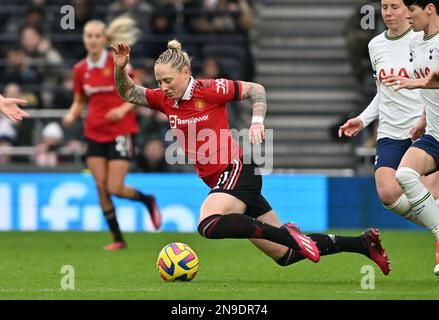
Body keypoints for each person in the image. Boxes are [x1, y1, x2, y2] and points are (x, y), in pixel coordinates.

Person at [111, 39, 391, 275]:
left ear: (185, 72)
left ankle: (288, 233)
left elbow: (257, 89)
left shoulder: (210, 89)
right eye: (159, 81)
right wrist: (120, 69)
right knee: (285, 256)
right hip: (224, 181)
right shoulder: (165, 99)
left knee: (208, 224)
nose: (163, 86)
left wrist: (257, 121)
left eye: (168, 80)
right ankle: (362, 244)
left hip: (236, 169)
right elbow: (128, 92)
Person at [63, 15, 162, 251]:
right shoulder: (80, 70)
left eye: (97, 36)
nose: (93, 40)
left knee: (114, 187)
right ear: (84, 39)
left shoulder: (117, 63)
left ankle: (147, 200)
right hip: (94, 131)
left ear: (104, 38)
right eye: (89, 36)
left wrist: (122, 109)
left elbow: (136, 92)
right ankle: (118, 239)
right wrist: (71, 115)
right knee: (100, 187)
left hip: (120, 130)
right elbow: (79, 101)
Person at [339, 0, 439, 230]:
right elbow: (383, 90)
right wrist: (363, 119)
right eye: (385, 7)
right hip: (391, 130)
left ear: (409, 9)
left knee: (421, 190)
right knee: (388, 193)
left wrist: (424, 119)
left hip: (422, 127)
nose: (388, 13)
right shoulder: (376, 45)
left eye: (395, 7)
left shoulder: (421, 39)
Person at [380, 0, 439, 275]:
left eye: (410, 11)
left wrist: (418, 83)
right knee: (403, 175)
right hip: (434, 133)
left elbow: (433, 79)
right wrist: (423, 120)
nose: (407, 17)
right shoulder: (417, 44)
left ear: (429, 9)